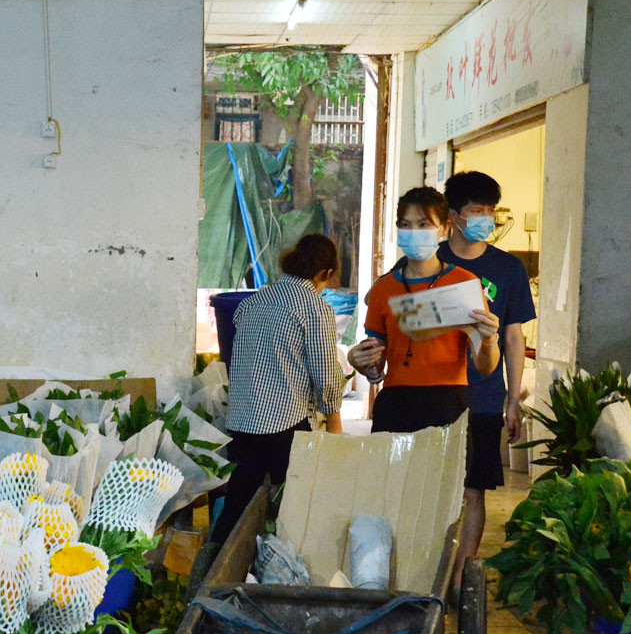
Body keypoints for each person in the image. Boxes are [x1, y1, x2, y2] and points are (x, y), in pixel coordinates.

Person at [210, 233, 347, 544]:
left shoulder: (256, 299)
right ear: (325, 273)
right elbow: (325, 373)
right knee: (296, 508)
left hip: (244, 420)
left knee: (238, 502)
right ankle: (288, 573)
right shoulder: (315, 307)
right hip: (285, 422)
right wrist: (334, 424)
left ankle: (213, 568)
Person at [439, 171, 536, 585]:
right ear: (454, 216)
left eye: (490, 211)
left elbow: (514, 337)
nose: (486, 219)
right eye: (477, 211)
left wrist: (513, 399)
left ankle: (463, 575)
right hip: (434, 392)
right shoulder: (430, 262)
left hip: (482, 396)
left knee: (472, 488)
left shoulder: (508, 268)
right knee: (430, 487)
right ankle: (431, 568)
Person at [344, 186, 500, 433]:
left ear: (444, 229)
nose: (413, 232)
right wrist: (360, 362)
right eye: (405, 225)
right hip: (395, 404)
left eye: (424, 225)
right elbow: (376, 367)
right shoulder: (383, 289)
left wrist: (490, 339)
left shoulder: (464, 284)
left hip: (449, 402)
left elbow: (485, 366)